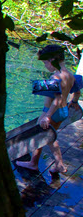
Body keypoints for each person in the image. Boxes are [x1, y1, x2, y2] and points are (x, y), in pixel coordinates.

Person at [15, 44, 77, 174]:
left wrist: (47, 115)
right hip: (63, 110)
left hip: (52, 112)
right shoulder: (69, 74)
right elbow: (76, 90)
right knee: (46, 137)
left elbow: (57, 99)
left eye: (45, 63)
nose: (45, 66)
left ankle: (47, 164)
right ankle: (39, 163)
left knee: (46, 137)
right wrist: (75, 101)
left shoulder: (54, 77)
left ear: (52, 60)